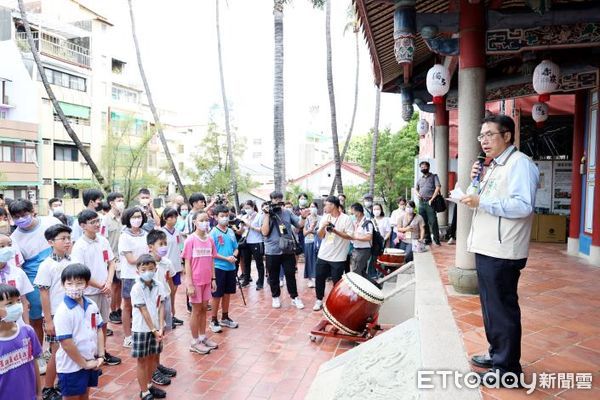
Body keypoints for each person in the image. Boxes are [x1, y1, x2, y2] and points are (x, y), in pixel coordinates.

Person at [461, 114, 539, 386]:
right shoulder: (491, 166)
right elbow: (477, 199)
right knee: (490, 309)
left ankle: (508, 371)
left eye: (489, 134)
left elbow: (523, 205)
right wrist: (475, 181)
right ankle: (497, 356)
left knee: (502, 310)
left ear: (507, 136)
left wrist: (483, 200)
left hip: (504, 250)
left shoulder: (520, 164)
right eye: (481, 135)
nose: (483, 140)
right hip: (486, 246)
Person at [9, 199, 61, 373]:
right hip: (33, 281)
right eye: (16, 217)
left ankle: (59, 352)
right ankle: (38, 355)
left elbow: (67, 243)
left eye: (24, 215)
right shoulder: (14, 238)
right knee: (36, 319)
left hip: (58, 275)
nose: (21, 219)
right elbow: (19, 267)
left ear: (33, 211)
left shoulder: (51, 222)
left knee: (59, 313)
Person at [70, 210, 121, 367]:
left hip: (104, 290)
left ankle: (102, 352)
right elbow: (81, 273)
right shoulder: (79, 246)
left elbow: (111, 262)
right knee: (90, 326)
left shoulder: (102, 240)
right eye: (93, 222)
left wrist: (108, 282)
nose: (97, 224)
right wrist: (101, 285)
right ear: (83, 225)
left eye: (98, 221)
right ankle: (89, 357)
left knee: (103, 323)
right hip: (89, 293)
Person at [53, 264, 104, 400]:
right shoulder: (63, 311)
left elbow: (98, 329)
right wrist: (84, 364)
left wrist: (101, 355)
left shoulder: (92, 305)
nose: (74, 288)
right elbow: (66, 343)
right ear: (63, 285)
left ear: (87, 284)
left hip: (90, 360)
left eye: (79, 283)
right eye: (69, 283)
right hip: (71, 366)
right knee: (72, 397)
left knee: (85, 394)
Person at [34, 224, 73, 400]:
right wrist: (48, 321)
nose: (67, 242)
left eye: (68, 238)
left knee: (69, 350)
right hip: (56, 315)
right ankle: (48, 387)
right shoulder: (46, 265)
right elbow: (44, 293)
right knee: (57, 351)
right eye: (62, 239)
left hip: (71, 312)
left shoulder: (71, 261)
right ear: (51, 242)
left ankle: (60, 383)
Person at [260, 192, 309, 309]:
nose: (277, 201)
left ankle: (294, 297)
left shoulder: (287, 212)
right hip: (272, 250)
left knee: (290, 274)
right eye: (275, 199)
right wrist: (267, 214)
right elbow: (264, 232)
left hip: (287, 249)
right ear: (271, 200)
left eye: (279, 199)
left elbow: (299, 225)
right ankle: (275, 297)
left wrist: (303, 216)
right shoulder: (265, 214)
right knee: (273, 275)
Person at [129, 255, 167, 400]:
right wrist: (153, 330)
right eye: (143, 269)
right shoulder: (136, 288)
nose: (147, 272)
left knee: (152, 358)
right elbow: (143, 310)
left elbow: (161, 305)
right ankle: (143, 391)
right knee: (142, 360)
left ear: (155, 269)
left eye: (150, 269)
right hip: (142, 329)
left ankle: (150, 384)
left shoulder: (158, 284)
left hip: (156, 328)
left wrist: (161, 327)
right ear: (138, 271)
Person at [183, 212, 218, 355]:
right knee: (196, 310)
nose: (204, 222)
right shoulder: (190, 240)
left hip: (207, 280)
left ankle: (203, 337)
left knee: (204, 308)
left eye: (206, 220)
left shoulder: (210, 240)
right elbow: (187, 262)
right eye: (201, 220)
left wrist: (213, 279)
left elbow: (212, 260)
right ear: (195, 222)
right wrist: (189, 284)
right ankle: (194, 341)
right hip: (195, 281)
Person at [146, 230, 177, 386]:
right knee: (153, 337)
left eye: (165, 243)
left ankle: (157, 364)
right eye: (161, 244)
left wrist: (170, 302)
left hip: (164, 302)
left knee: (161, 335)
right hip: (152, 306)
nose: (164, 247)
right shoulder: (145, 264)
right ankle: (151, 371)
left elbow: (170, 282)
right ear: (151, 246)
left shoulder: (166, 262)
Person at [0, 284, 43, 400]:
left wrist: (39, 393)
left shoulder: (28, 331)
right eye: (9, 303)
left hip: (29, 395)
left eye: (18, 301)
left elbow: (34, 364)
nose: (17, 306)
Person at [313, 196, 354, 311]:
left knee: (337, 282)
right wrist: (323, 227)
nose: (324, 207)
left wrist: (335, 231)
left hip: (338, 257)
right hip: (323, 254)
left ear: (333, 205)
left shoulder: (346, 219)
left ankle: (336, 302)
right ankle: (319, 300)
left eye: (326, 204)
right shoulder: (325, 217)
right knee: (320, 278)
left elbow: (350, 236)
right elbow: (320, 236)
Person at [118, 208, 149, 348]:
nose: (137, 219)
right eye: (134, 217)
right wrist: (148, 262)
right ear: (128, 219)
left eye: (139, 216)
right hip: (130, 275)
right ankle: (127, 336)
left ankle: (143, 331)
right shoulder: (124, 236)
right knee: (128, 306)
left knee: (144, 304)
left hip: (146, 275)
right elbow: (130, 259)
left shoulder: (145, 234)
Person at [208, 206, 240, 332]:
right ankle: (213, 319)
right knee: (217, 295)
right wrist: (226, 258)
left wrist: (234, 255)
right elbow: (212, 253)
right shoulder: (213, 233)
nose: (225, 218)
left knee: (227, 294)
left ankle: (225, 317)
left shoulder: (231, 231)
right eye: (222, 215)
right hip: (219, 267)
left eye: (226, 215)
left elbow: (236, 247)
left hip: (231, 267)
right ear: (215, 217)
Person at [101, 193, 125, 325]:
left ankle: (118, 308)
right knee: (115, 285)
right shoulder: (105, 220)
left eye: (122, 200)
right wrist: (107, 260)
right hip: (112, 259)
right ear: (111, 203)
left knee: (121, 285)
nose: (121, 202)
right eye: (118, 200)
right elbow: (103, 240)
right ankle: (113, 310)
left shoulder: (123, 218)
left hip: (122, 258)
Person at [0, 233, 32, 326]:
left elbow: (23, 301)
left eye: (9, 245)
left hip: (18, 324)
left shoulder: (18, 272)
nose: (7, 249)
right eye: (1, 246)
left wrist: (27, 325)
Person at [159, 207, 184, 328]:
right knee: (167, 293)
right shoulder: (161, 232)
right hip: (166, 267)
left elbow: (180, 247)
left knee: (173, 292)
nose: (173, 219)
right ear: (165, 218)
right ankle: (166, 317)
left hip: (177, 266)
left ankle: (172, 315)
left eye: (175, 217)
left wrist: (182, 264)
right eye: (171, 217)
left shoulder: (177, 232)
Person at [239, 200, 264, 289]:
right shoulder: (244, 216)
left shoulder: (259, 216)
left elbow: (262, 229)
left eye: (248, 208)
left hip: (256, 241)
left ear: (253, 207)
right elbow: (241, 231)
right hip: (246, 242)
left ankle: (260, 282)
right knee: (246, 262)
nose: (246, 210)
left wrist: (249, 226)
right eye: (245, 208)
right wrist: (240, 226)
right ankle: (246, 280)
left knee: (259, 263)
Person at [415, 161, 442, 246]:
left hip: (431, 202)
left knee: (433, 221)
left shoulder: (434, 176)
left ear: (428, 167)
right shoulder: (420, 179)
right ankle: (427, 239)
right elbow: (415, 188)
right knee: (423, 222)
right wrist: (417, 194)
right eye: (421, 167)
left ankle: (437, 240)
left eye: (424, 167)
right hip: (421, 202)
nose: (423, 168)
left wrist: (432, 199)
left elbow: (438, 187)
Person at [349, 203, 373, 277]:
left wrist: (355, 237)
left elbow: (369, 237)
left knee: (356, 272)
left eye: (353, 213)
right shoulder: (356, 222)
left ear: (358, 212)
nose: (352, 215)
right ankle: (374, 285)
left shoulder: (367, 223)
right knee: (359, 272)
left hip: (364, 250)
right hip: (356, 249)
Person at [302, 202, 320, 288]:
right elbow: (304, 233)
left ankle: (316, 278)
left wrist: (315, 231)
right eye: (311, 206)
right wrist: (311, 229)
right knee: (309, 260)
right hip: (308, 242)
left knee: (317, 261)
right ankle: (310, 279)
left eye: (314, 206)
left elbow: (322, 232)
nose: (313, 208)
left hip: (318, 243)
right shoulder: (307, 219)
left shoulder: (321, 218)